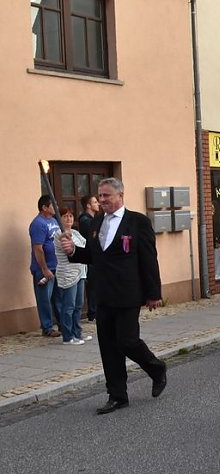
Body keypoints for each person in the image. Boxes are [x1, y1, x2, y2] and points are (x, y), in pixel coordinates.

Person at [60, 178, 166, 415]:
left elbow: (149, 259)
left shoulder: (137, 222)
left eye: (106, 195)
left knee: (127, 341)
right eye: (100, 195)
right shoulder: (97, 222)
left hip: (128, 293)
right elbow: (95, 256)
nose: (102, 200)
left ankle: (156, 368)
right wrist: (74, 251)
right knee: (108, 346)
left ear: (120, 196)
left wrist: (153, 293)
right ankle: (117, 395)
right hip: (103, 295)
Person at [53, 207, 89, 345]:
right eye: (65, 216)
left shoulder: (75, 233)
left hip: (80, 271)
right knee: (69, 305)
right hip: (68, 272)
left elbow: (84, 246)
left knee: (78, 305)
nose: (69, 219)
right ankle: (67, 336)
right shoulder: (58, 234)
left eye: (70, 216)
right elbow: (68, 248)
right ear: (59, 219)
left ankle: (77, 333)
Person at [30, 195, 61, 337]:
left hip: (57, 266)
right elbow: (38, 248)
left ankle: (63, 325)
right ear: (44, 207)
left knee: (59, 298)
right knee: (44, 299)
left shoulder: (54, 220)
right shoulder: (38, 224)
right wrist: (44, 269)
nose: (56, 207)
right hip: (44, 268)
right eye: (52, 205)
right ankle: (47, 327)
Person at [78, 194, 99, 321]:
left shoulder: (94, 219)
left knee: (96, 283)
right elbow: (91, 237)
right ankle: (92, 312)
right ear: (88, 205)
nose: (98, 204)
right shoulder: (85, 220)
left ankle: (95, 310)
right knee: (92, 284)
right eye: (95, 202)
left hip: (95, 255)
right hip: (90, 255)